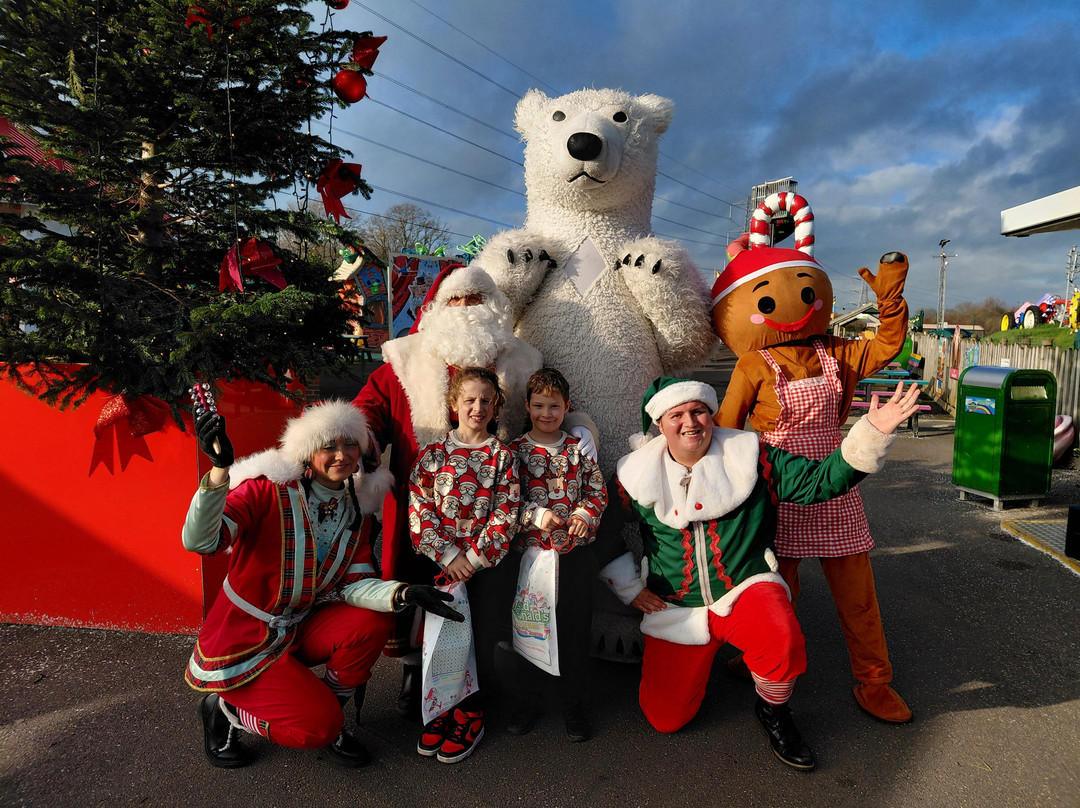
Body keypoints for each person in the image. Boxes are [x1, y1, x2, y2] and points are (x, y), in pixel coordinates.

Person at [596, 376, 921, 770]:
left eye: (698, 411)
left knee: (781, 641)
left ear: (711, 415)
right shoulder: (634, 475)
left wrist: (870, 434)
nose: (690, 422)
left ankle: (773, 709)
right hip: (675, 606)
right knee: (665, 720)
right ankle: (695, 674)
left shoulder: (752, 456)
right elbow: (602, 529)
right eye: (677, 414)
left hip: (744, 588)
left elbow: (819, 481)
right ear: (660, 424)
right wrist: (629, 589)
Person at [183, 400, 464, 770]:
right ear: (307, 450)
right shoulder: (267, 491)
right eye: (328, 445)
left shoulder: (355, 510)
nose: (341, 455)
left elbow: (356, 585)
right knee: (318, 728)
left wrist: (404, 592)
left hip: (300, 625)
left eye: (350, 444)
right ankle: (228, 707)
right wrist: (219, 473)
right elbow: (201, 541)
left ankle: (327, 712)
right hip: (245, 637)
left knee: (374, 620)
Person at [352, 265, 557, 718]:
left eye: (476, 300)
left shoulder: (525, 361)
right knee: (417, 590)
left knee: (487, 601)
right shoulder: (405, 359)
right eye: (456, 300)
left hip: (494, 512)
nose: (465, 310)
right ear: (438, 307)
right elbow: (368, 411)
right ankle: (415, 669)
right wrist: (347, 441)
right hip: (425, 512)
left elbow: (552, 410)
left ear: (496, 307)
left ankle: (481, 674)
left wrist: (576, 435)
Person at [407, 367, 521, 764]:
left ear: (496, 407)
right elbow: (420, 510)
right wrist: (448, 556)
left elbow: (506, 514)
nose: (478, 407)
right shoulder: (434, 455)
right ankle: (442, 708)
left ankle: (471, 712)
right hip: (441, 568)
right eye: (469, 399)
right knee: (442, 641)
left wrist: (471, 559)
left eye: (486, 400)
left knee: (480, 640)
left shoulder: (503, 457)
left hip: (483, 569)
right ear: (454, 405)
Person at [504, 367, 608, 742]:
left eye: (555, 406)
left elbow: (597, 491)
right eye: (539, 405)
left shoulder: (577, 451)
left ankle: (572, 703)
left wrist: (583, 514)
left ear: (568, 407)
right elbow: (504, 502)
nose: (546, 413)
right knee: (528, 628)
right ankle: (528, 700)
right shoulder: (513, 452)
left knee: (573, 630)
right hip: (529, 559)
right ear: (527, 406)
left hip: (573, 558)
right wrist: (534, 515)